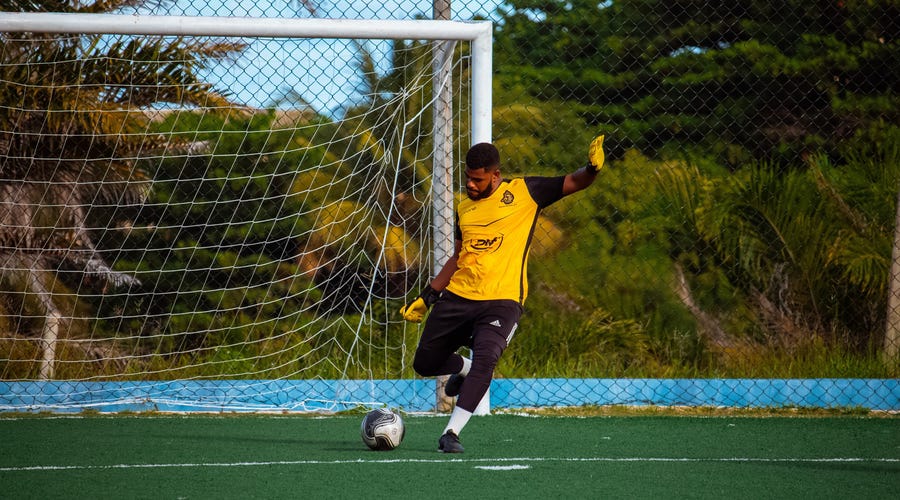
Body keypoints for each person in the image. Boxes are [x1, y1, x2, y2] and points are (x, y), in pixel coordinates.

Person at [400, 136, 606, 453]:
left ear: (495, 175)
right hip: (458, 296)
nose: (470, 183)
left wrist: (592, 168)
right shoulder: (464, 206)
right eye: (467, 176)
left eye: (477, 179)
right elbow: (457, 257)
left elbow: (574, 182)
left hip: (502, 301)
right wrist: (428, 296)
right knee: (425, 363)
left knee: (487, 360)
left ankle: (450, 433)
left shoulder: (525, 193)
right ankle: (464, 369)